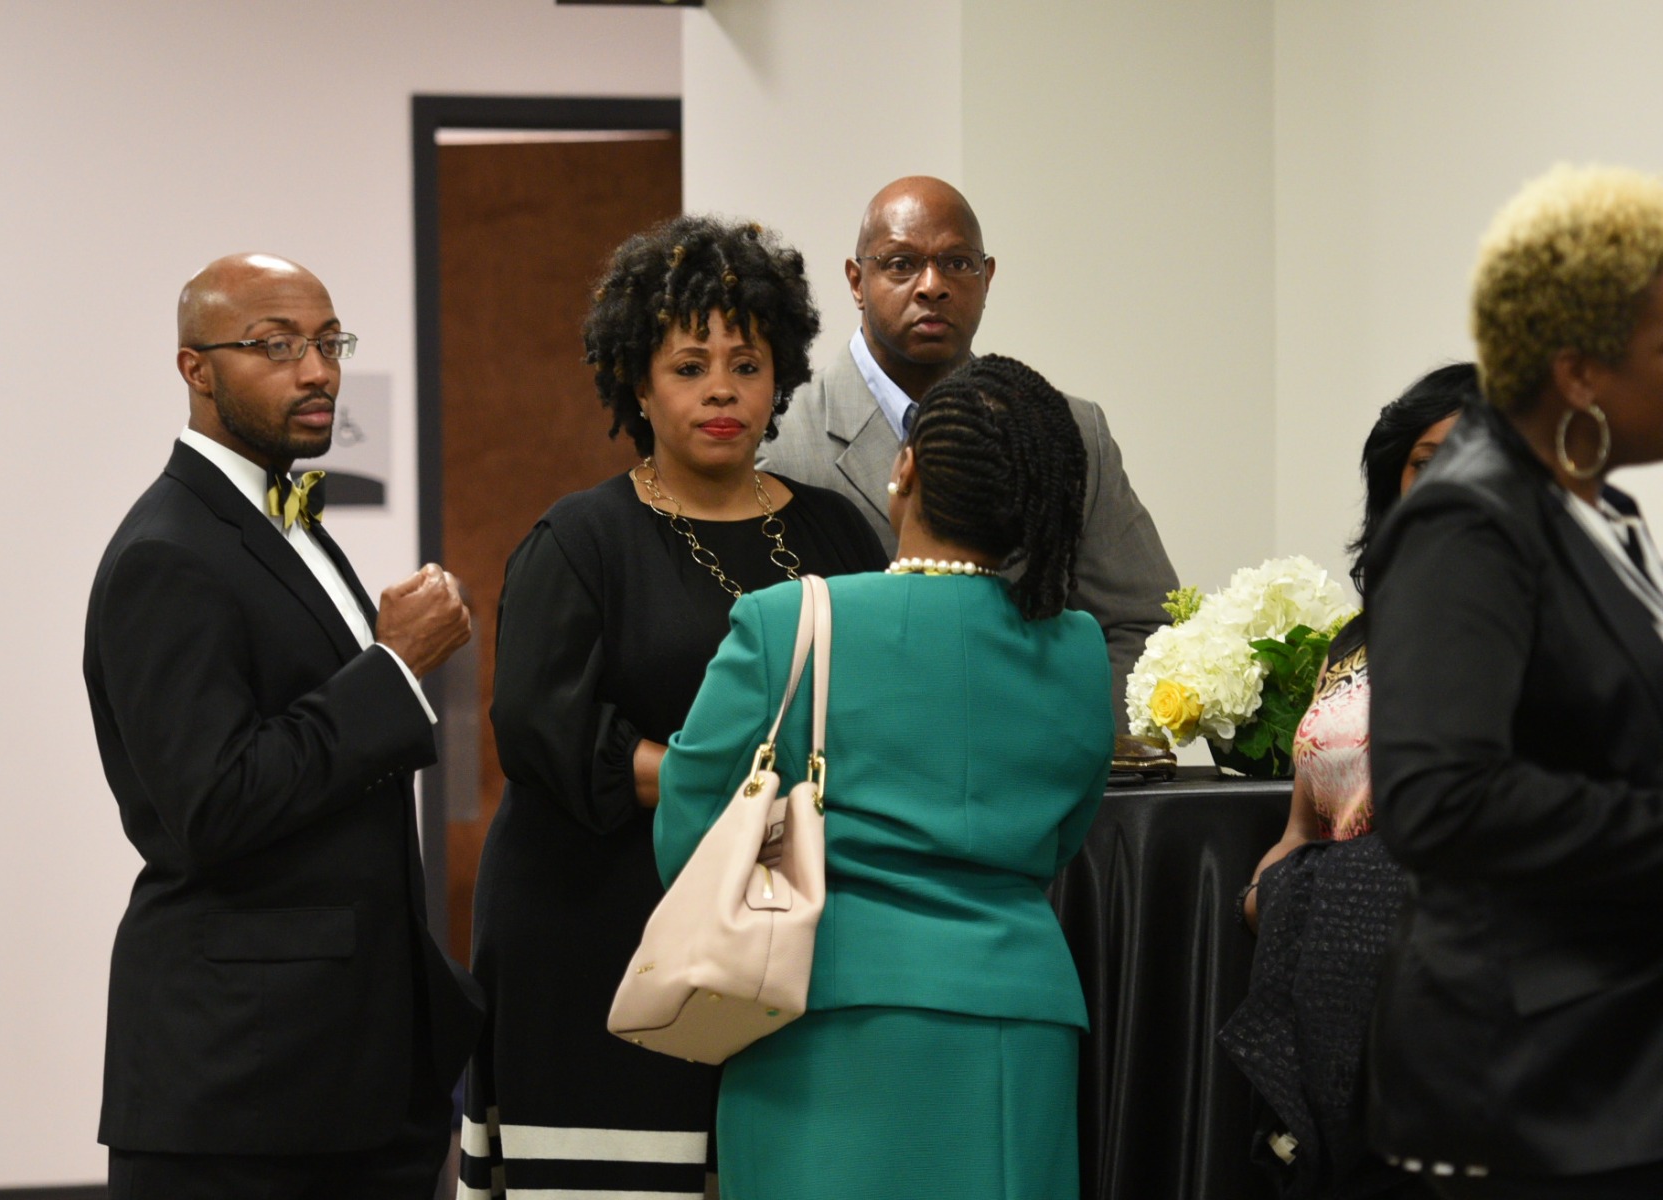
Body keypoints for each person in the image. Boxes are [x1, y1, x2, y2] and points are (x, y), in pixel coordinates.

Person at [461, 216, 888, 1200]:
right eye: (690, 366)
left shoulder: (838, 532)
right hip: (596, 928)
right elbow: (544, 732)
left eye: (747, 364)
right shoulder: (580, 539)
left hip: (783, 931)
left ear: (780, 378)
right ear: (638, 384)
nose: (722, 390)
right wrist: (734, 791)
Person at [659, 354, 1113, 1200]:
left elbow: (689, 830)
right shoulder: (1079, 649)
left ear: (904, 469)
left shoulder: (786, 623)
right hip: (1018, 1023)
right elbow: (1065, 833)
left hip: (816, 1016)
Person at [1366, 165, 1663, 1195]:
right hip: (1544, 1079)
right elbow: (1443, 798)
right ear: (1578, 372)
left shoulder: (1599, 513)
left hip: (1648, 1047)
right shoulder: (1469, 522)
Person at [83, 253, 484, 1199]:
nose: (317, 372)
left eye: (329, 343)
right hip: (242, 1085)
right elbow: (216, 802)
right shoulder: (165, 553)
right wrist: (393, 668)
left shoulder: (281, 517)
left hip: (349, 1075)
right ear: (195, 369)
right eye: (276, 346)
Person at [757, 175, 1177, 730]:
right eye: (901, 264)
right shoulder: (775, 440)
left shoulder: (1071, 433)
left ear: (987, 277)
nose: (932, 286)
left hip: (1032, 763)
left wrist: (1057, 745)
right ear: (857, 281)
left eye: (957, 263)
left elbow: (1144, 625)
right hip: (850, 766)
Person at [1219, 363, 1475, 1199]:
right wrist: (1265, 896)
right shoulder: (1353, 644)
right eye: (1427, 462)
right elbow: (1303, 829)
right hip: (1333, 986)